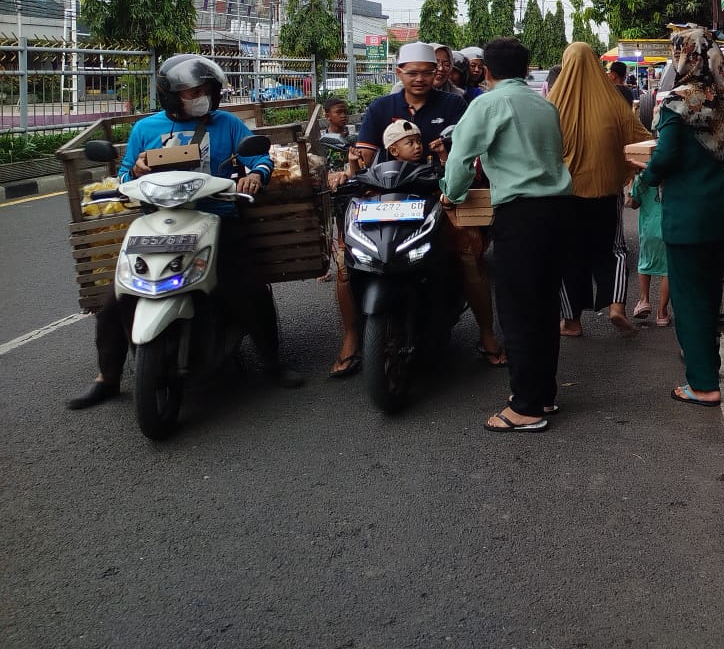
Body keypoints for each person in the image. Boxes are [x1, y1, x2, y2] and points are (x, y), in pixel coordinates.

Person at [66, 54, 302, 409]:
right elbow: (127, 173)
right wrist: (139, 170)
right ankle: (107, 377)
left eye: (206, 90)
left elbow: (260, 158)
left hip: (217, 217)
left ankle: (272, 362)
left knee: (248, 289)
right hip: (157, 222)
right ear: (171, 94)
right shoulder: (146, 129)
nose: (201, 96)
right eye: (194, 91)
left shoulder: (229, 124)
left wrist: (256, 174)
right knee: (116, 303)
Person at [338, 42, 500, 375]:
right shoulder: (381, 108)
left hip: (440, 199)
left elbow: (470, 153)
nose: (420, 79)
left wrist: (449, 151)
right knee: (343, 259)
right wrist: (348, 168)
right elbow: (364, 159)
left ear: (437, 72)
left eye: (427, 72)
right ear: (399, 73)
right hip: (387, 201)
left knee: (469, 252)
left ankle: (487, 334)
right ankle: (352, 337)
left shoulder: (454, 105)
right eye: (412, 73)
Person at [442, 37, 574, 433]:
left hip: (521, 214)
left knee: (518, 312)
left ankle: (526, 406)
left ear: (486, 69)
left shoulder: (488, 103)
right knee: (544, 308)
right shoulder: (544, 105)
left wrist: (453, 194)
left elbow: (462, 156)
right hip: (557, 212)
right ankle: (544, 394)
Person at [628, 26, 724, 407]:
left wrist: (645, 177)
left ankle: (702, 384)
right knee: (710, 291)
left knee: (689, 299)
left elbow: (665, 156)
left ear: (683, 56)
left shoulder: (678, 101)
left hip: (688, 216)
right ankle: (706, 362)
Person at [550, 42, 656, 336]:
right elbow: (642, 141)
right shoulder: (613, 104)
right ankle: (616, 306)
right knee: (615, 251)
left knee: (569, 254)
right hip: (606, 191)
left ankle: (571, 321)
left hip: (564, 196)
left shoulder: (551, 105)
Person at [627, 172, 670, 326]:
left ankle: (644, 300)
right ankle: (662, 313)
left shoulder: (642, 177)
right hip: (670, 226)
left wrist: (631, 184)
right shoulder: (672, 173)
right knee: (668, 269)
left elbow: (633, 203)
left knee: (645, 262)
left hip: (649, 229)